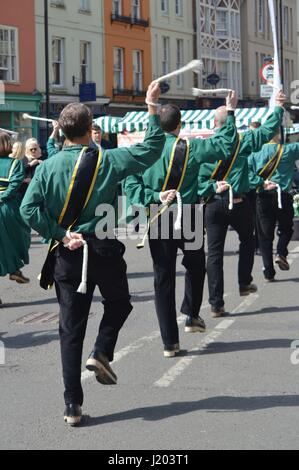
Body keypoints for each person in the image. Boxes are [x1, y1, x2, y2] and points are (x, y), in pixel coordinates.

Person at [20, 81, 166, 426]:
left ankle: (72, 405)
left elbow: (28, 209)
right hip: (102, 247)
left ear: (62, 131)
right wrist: (150, 107)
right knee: (119, 303)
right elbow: (151, 149)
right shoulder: (110, 159)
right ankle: (101, 351)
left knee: (70, 329)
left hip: (68, 252)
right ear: (90, 130)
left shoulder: (46, 166)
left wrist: (59, 233)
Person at [124, 91, 239, 358]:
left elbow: (131, 186)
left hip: (157, 214)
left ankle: (169, 343)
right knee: (197, 265)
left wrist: (152, 197)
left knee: (163, 279)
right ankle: (191, 313)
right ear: (180, 124)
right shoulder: (191, 147)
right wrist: (230, 112)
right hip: (187, 214)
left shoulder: (144, 151)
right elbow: (225, 145)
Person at [198, 90, 286, 318]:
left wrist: (210, 188)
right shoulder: (242, 142)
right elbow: (267, 131)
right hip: (238, 203)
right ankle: (244, 281)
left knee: (214, 254)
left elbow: (197, 180)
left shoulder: (203, 147)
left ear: (214, 124)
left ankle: (216, 303)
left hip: (214, 204)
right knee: (248, 239)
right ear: (231, 125)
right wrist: (277, 106)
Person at [249, 133, 299, 281]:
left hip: (263, 195)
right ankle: (281, 252)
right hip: (283, 195)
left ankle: (269, 271)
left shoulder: (254, 153)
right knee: (286, 228)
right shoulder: (288, 150)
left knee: (265, 236)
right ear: (277, 135)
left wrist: (260, 182)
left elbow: (248, 173)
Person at [0, 132, 30, 298]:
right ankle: (14, 269)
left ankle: (14, 269)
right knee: (18, 238)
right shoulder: (15, 164)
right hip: (7, 208)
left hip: (5, 205)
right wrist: (2, 196)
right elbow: (15, 183)